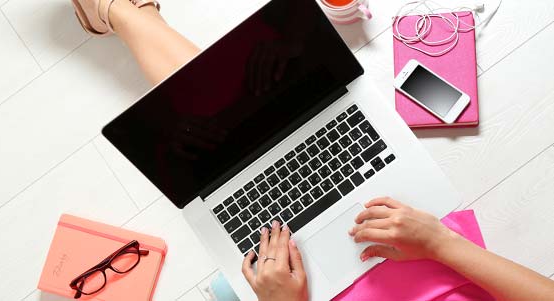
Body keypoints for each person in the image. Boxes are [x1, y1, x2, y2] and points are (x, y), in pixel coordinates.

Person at [69, 0, 554, 300]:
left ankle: (121, 11)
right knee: (275, 126)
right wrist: (439, 243)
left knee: (226, 143)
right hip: (426, 258)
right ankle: (123, 11)